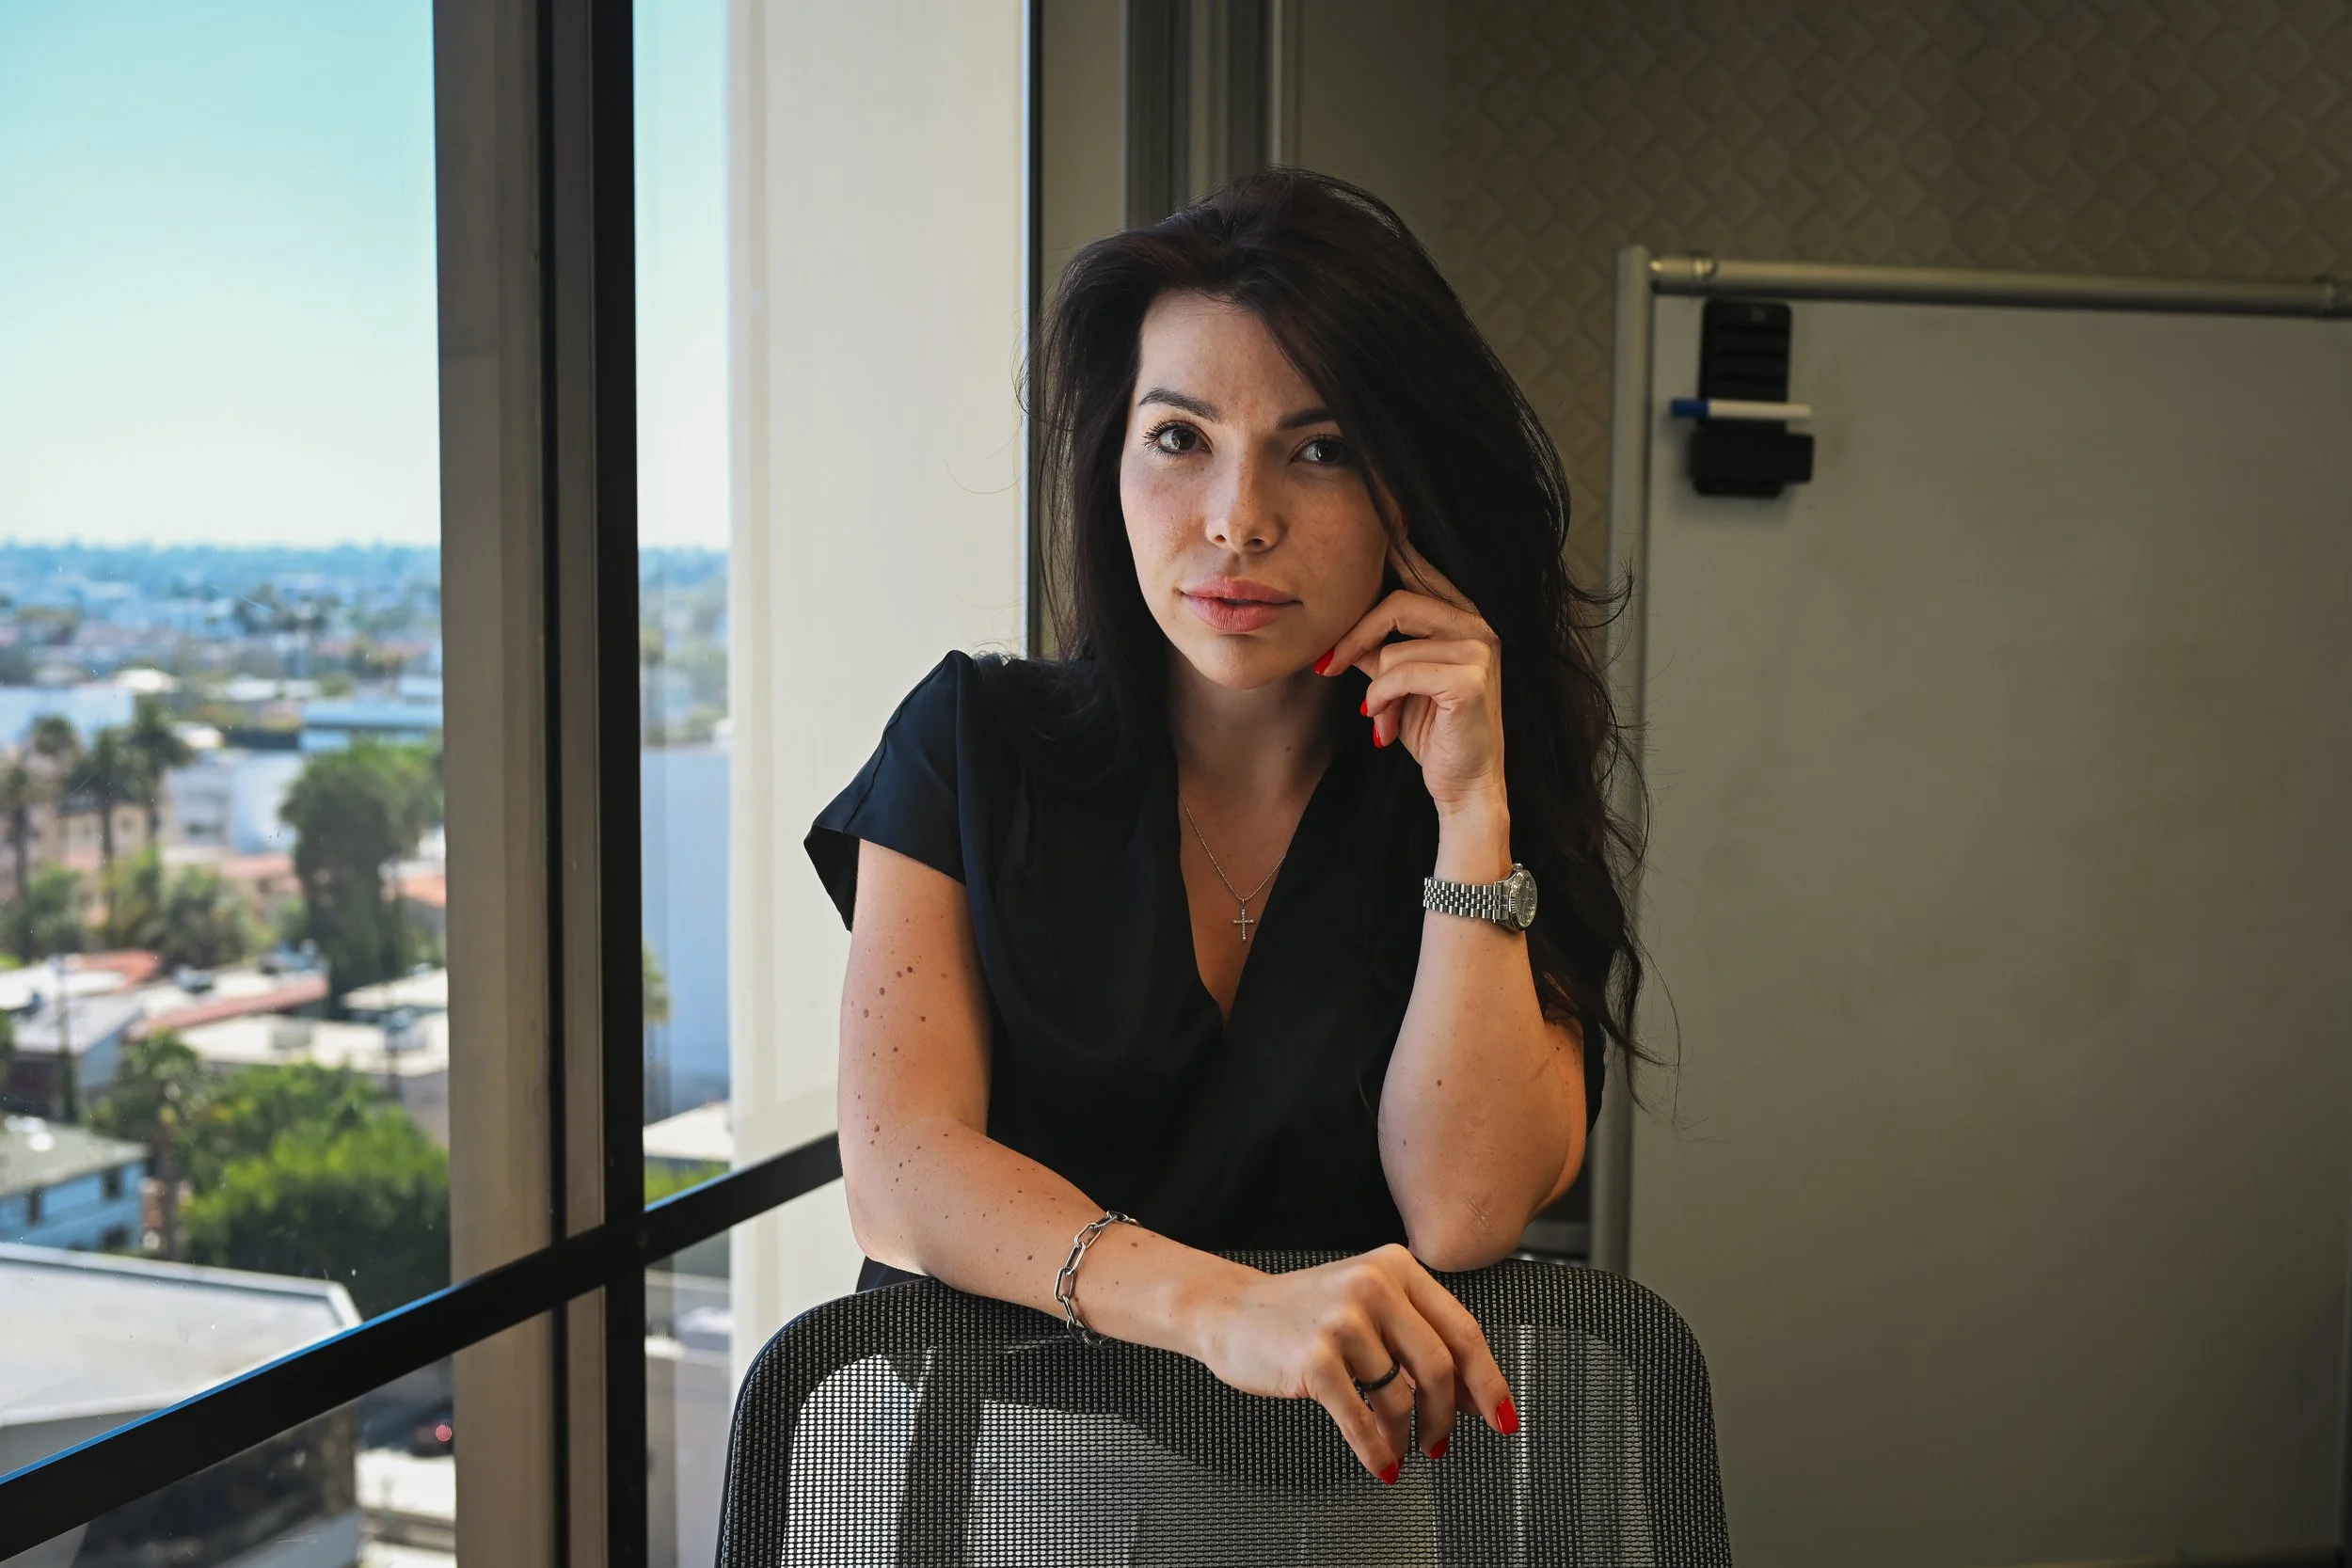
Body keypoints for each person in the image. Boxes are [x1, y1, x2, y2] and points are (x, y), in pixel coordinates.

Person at [805, 168, 1643, 1487]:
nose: (1238, 519)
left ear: (1405, 497)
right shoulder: (973, 743)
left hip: (1349, 1489)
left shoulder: (1479, 781)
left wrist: (1473, 816)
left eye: (1320, 450)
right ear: (1111, 462)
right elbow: (900, 1168)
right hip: (1007, 1487)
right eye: (1180, 438)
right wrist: (1222, 1308)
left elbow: (1466, 1205)